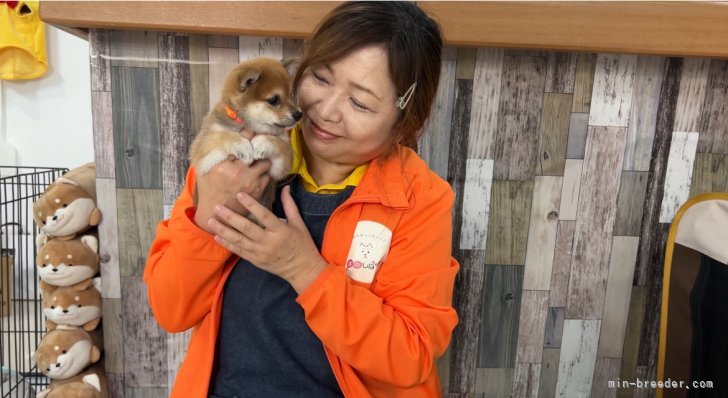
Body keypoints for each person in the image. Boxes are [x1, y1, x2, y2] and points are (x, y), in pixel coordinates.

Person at [144, 2, 459, 397]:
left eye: (360, 103)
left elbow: (409, 356)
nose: (324, 111)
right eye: (321, 79)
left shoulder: (419, 199)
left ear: (404, 120)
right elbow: (172, 311)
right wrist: (210, 214)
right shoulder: (234, 159)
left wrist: (304, 269)